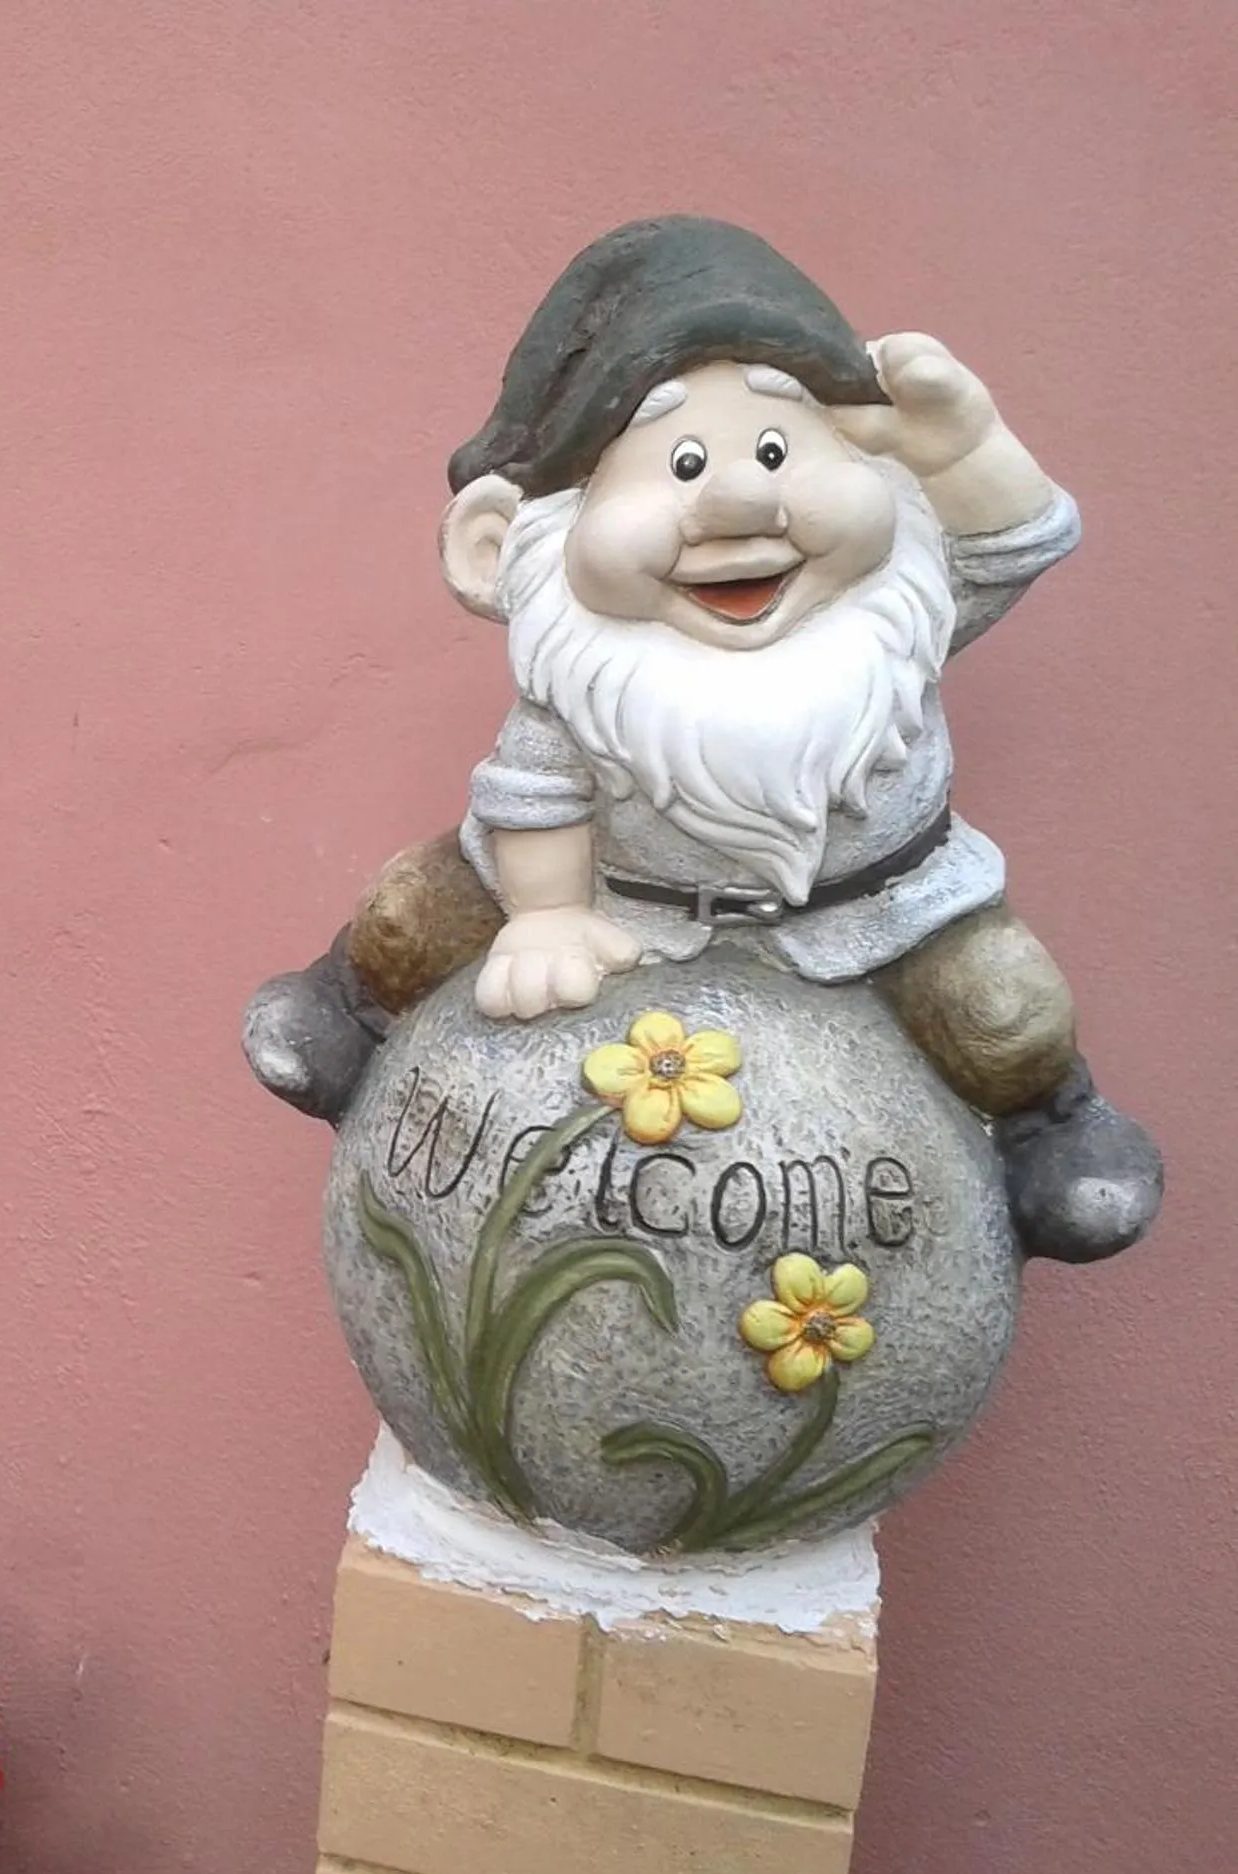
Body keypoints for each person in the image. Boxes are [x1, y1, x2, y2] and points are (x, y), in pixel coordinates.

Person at [243, 216, 1160, 1263]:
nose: (738, 500)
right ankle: (348, 1015)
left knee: (1005, 1000)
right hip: (620, 908)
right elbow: (536, 796)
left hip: (883, 916)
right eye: (680, 464)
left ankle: (1051, 1129)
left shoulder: (885, 625)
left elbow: (1009, 544)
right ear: (519, 539)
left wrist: (963, 453)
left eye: (776, 450)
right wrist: (545, 917)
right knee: (414, 903)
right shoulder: (589, 673)